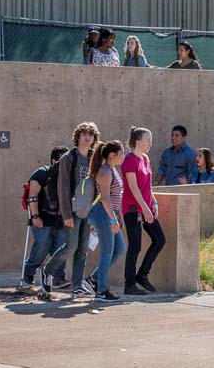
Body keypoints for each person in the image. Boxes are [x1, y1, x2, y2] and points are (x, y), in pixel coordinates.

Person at [39, 122, 100, 297]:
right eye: (84, 134)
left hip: (88, 211)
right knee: (71, 247)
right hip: (72, 211)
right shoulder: (68, 158)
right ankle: (47, 270)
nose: (87, 137)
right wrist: (66, 213)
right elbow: (63, 188)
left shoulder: (93, 158)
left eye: (90, 134)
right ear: (78, 137)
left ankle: (77, 286)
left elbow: (96, 186)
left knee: (82, 250)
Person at [122, 127, 166, 295]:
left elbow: (146, 186)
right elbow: (133, 187)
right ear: (138, 141)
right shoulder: (129, 161)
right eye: (148, 140)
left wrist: (153, 202)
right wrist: (145, 208)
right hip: (133, 209)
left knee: (159, 239)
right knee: (135, 246)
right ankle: (129, 284)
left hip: (146, 207)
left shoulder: (145, 159)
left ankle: (142, 274)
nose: (150, 143)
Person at [85, 140, 127, 302]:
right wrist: (113, 219)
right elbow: (104, 198)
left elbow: (117, 195)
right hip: (103, 214)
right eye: (121, 154)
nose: (123, 157)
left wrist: (119, 214)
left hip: (111, 214)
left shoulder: (112, 169)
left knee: (119, 249)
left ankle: (93, 279)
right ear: (112, 155)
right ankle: (101, 291)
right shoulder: (104, 171)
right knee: (107, 252)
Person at [22, 146, 70, 288]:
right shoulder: (41, 173)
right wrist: (35, 216)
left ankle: (58, 278)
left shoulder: (67, 178)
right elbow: (32, 195)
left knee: (60, 248)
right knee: (42, 246)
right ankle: (29, 274)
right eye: (62, 161)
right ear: (53, 160)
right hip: (43, 219)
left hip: (60, 220)